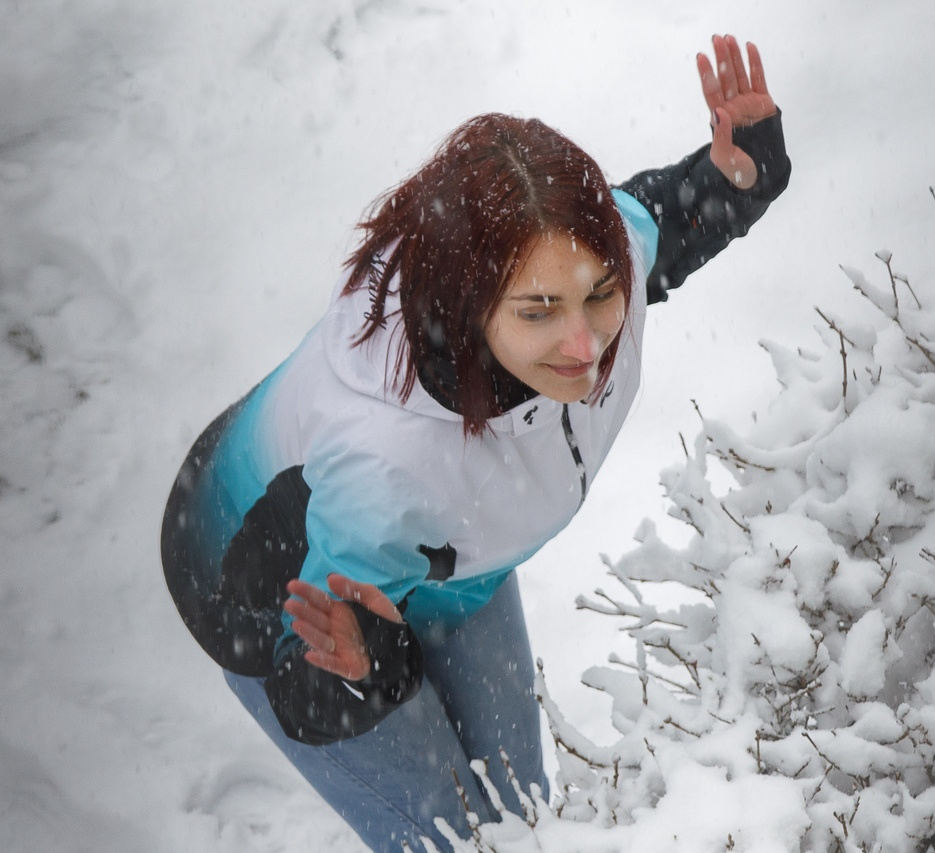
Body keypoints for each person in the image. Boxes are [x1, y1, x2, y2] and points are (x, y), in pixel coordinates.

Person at [160, 34, 789, 852]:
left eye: (597, 294)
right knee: (457, 842)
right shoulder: (383, 470)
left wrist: (741, 173)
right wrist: (371, 660)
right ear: (468, 309)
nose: (585, 344)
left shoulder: (594, 269)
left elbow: (660, 217)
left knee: (524, 816)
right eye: (537, 312)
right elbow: (305, 683)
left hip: (456, 558)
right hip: (271, 586)